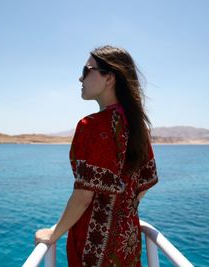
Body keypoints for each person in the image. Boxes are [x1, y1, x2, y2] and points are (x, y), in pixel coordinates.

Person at [34, 45, 158, 267]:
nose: (80, 78)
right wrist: (122, 211)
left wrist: (54, 234)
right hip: (127, 243)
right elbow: (146, 183)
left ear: (109, 78)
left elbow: (83, 197)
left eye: (86, 70)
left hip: (94, 250)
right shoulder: (138, 127)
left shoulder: (91, 126)